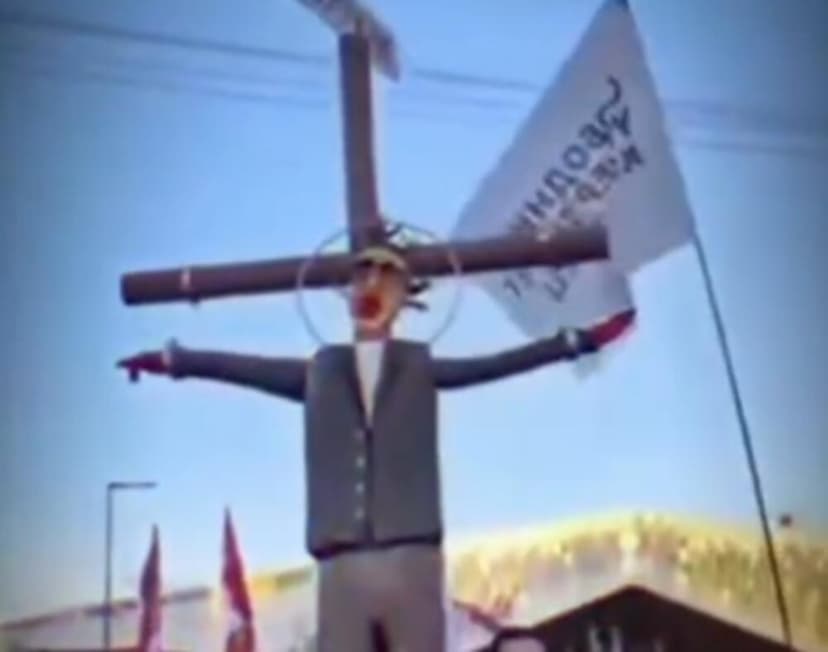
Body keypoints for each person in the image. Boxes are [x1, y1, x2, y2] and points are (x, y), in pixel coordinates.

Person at [118, 244, 631, 652]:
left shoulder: (418, 365)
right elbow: (241, 368)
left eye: (385, 279)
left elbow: (494, 364)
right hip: (341, 560)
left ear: (405, 296)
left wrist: (576, 342)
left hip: (412, 554)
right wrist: (175, 360)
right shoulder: (321, 371)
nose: (370, 287)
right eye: (360, 277)